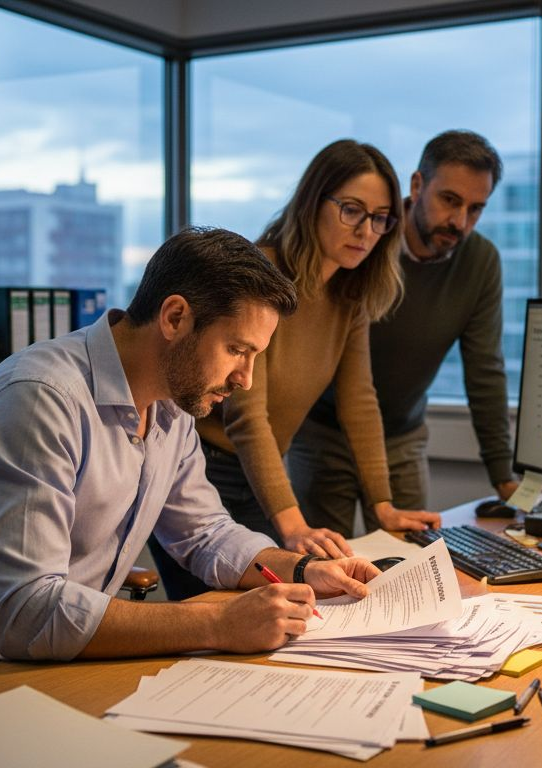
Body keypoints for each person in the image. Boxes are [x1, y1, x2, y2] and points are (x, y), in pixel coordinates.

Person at [0, 227, 379, 665]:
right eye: (236, 350)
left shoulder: (171, 404)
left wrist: (306, 570)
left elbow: (204, 533)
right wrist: (218, 624)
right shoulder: (39, 401)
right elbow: (27, 613)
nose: (245, 379)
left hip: (57, 658)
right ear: (175, 317)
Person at [147, 140, 441, 601]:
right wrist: (293, 524)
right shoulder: (263, 275)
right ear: (312, 202)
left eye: (381, 218)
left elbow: (359, 402)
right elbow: (247, 415)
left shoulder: (349, 294)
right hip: (201, 467)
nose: (366, 230)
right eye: (351, 210)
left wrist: (382, 504)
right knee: (227, 615)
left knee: (289, 609)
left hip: (260, 473)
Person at [288, 130, 519, 537]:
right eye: (450, 200)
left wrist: (504, 479)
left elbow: (485, 370)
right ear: (416, 185)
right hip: (324, 433)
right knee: (326, 559)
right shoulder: (367, 240)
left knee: (411, 555)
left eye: (475, 209)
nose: (460, 221)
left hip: (402, 437)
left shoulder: (480, 261)